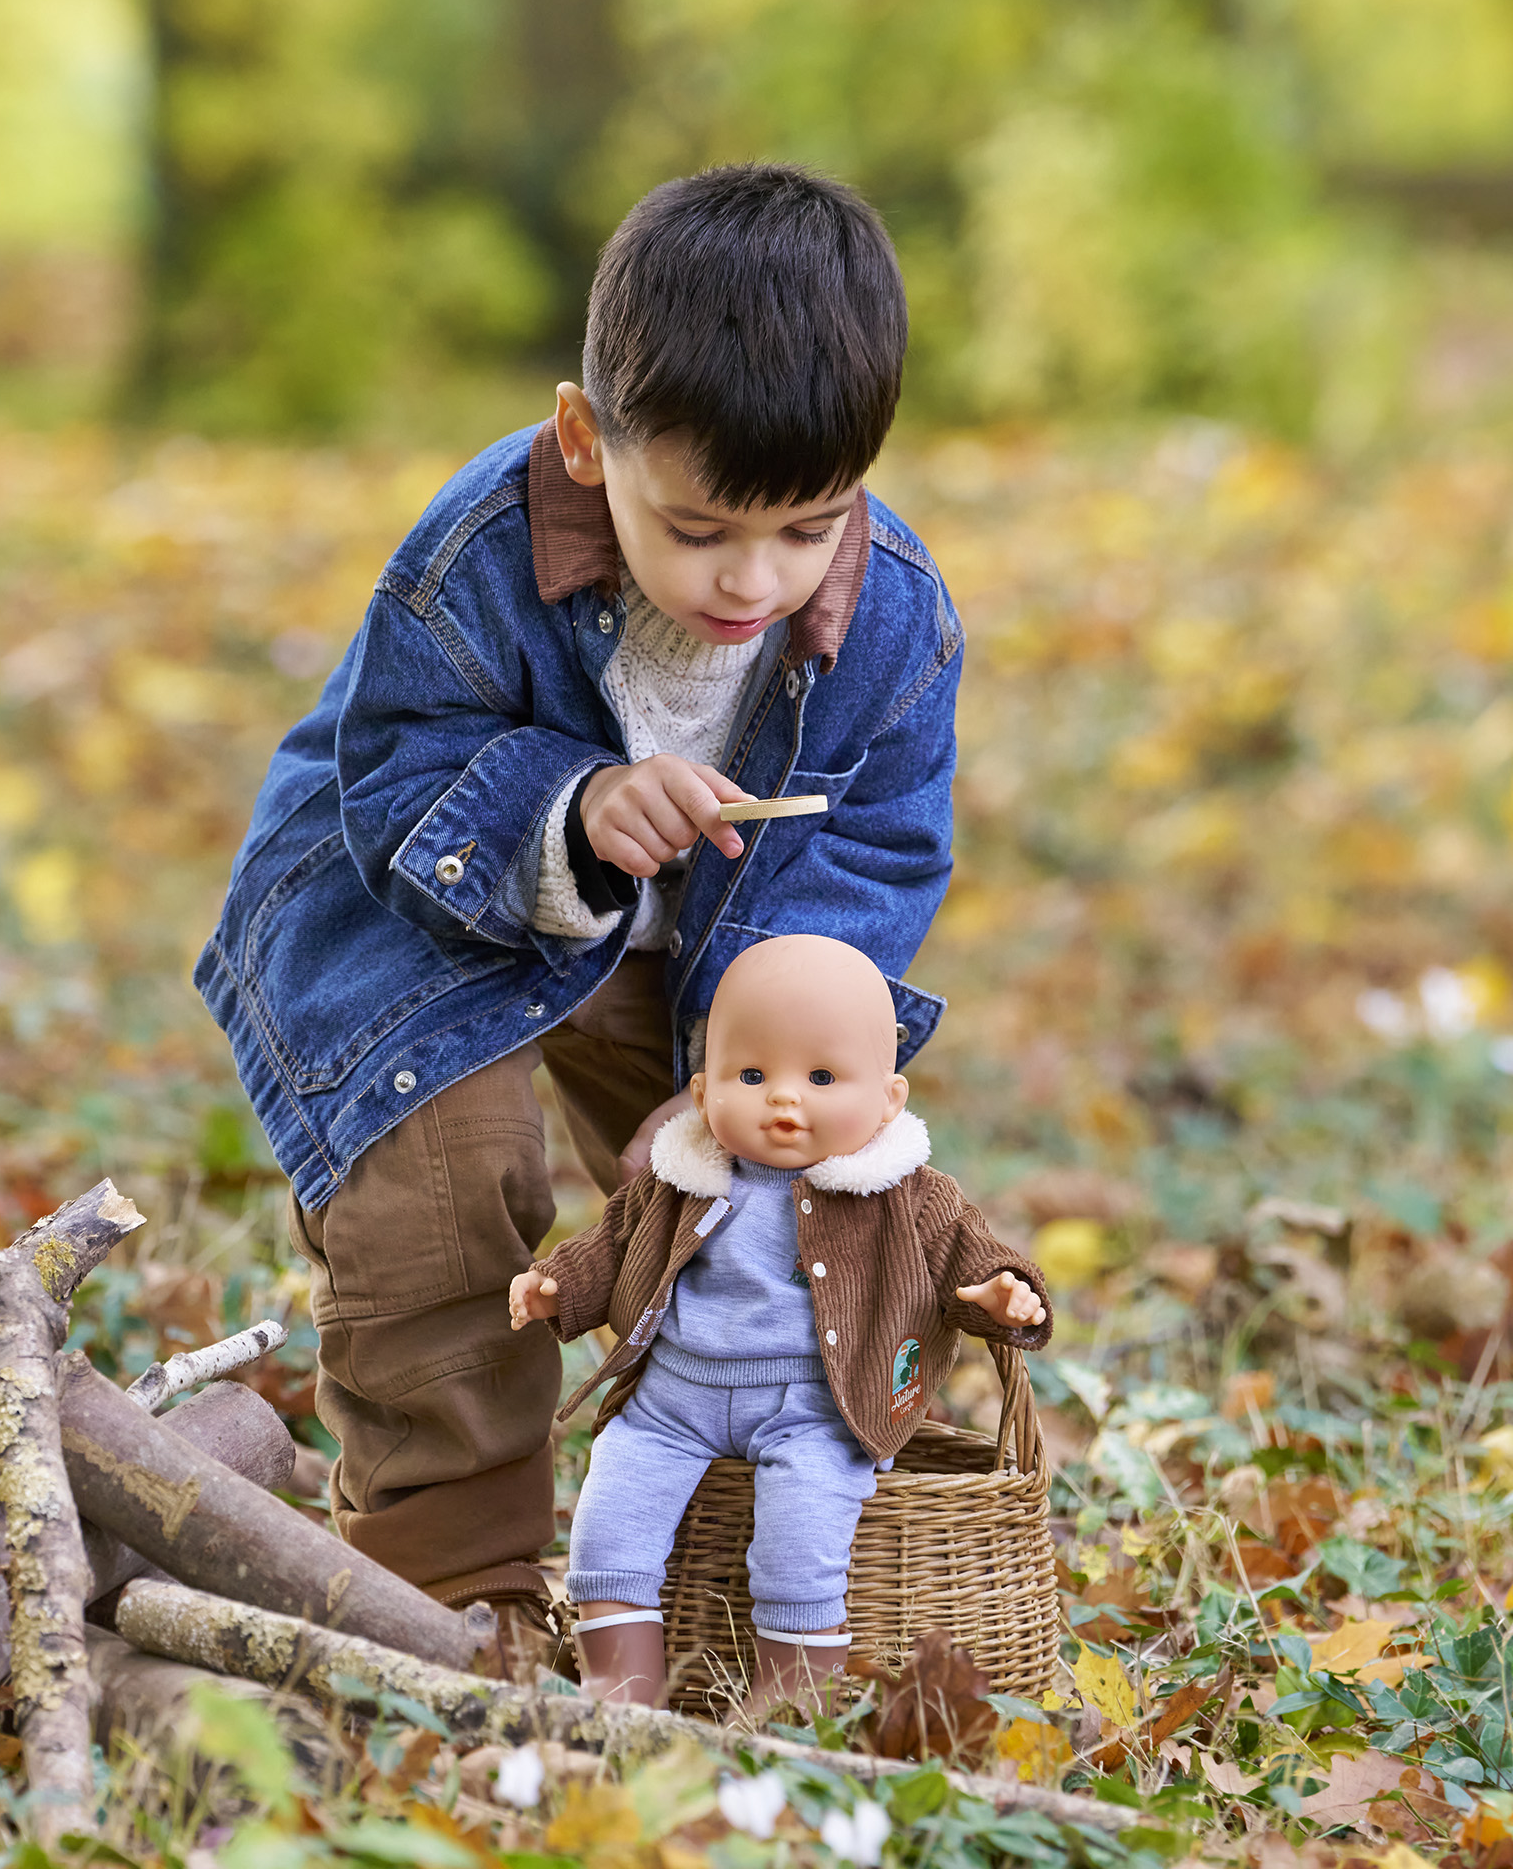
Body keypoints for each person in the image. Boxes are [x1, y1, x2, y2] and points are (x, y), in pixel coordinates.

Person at [195, 161, 964, 1652]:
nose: (754, 576)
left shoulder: (896, 618)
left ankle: (739, 1555)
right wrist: (574, 808)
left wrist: (796, 1030)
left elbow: (878, 841)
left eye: (809, 526)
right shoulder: (475, 560)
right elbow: (398, 767)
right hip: (422, 924)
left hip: (704, 965)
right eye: (699, 529)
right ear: (583, 436)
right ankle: (460, 1589)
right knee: (443, 1188)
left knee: (762, 1211)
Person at [508, 936, 1051, 1712]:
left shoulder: (906, 1195)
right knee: (608, 1531)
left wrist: (1003, 1294)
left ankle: (790, 1702)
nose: (784, 1100)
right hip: (672, 1404)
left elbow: (972, 1256)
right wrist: (557, 1288)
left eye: (822, 1077)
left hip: (816, 1410)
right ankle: (620, 1691)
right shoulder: (683, 1178)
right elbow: (613, 1247)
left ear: (890, 1099)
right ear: (702, 1092)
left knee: (800, 1548)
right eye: (752, 1076)